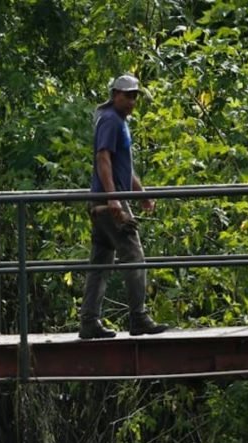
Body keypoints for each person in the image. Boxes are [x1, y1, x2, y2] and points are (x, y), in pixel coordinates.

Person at [79, 74, 167, 340]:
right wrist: (113, 198)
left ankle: (89, 321)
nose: (131, 101)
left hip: (108, 199)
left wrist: (141, 194)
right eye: (127, 95)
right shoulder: (110, 121)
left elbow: (122, 167)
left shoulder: (119, 122)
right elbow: (103, 158)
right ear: (115, 94)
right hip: (109, 202)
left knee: (101, 260)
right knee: (133, 255)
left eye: (135, 96)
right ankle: (138, 317)